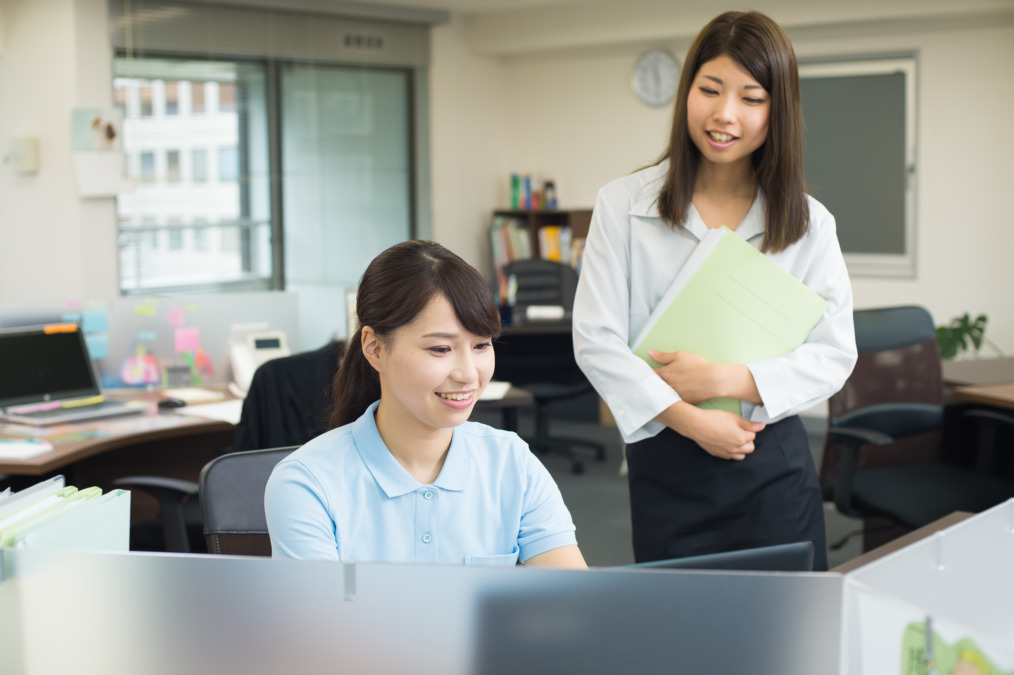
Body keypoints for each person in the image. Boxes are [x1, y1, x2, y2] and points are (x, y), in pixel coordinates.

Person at [572, 11, 857, 571]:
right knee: (682, 640)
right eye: (710, 90)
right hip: (666, 459)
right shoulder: (621, 205)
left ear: (778, 112)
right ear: (686, 94)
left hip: (770, 464)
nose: (725, 114)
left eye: (751, 98)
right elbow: (595, 340)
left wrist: (730, 379)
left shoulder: (808, 222)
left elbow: (834, 352)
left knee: (788, 639)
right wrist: (691, 417)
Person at [266, 240, 587, 569]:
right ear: (375, 348)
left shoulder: (511, 462)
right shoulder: (308, 482)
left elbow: (574, 600)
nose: (467, 374)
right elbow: (320, 619)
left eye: (480, 345)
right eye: (440, 349)